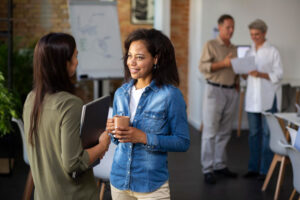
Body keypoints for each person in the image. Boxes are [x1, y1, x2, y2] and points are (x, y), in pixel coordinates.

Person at [23, 32, 111, 199]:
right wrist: (103, 144)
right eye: (75, 56)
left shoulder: (31, 99)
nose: (77, 62)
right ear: (62, 63)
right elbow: (73, 163)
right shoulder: (69, 104)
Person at [105, 28, 190, 200]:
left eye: (140, 57)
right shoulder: (121, 93)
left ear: (156, 59)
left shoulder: (170, 95)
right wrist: (113, 131)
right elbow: (117, 141)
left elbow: (182, 142)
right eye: (129, 56)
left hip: (151, 186)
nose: (131, 62)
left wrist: (143, 137)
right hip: (119, 182)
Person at [199, 14, 239, 184]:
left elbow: (235, 69)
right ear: (220, 27)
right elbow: (203, 67)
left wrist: (237, 81)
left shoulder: (235, 48)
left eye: (232, 27)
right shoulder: (211, 45)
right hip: (215, 91)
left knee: (224, 131)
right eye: (228, 27)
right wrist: (224, 63)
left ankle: (219, 165)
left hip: (231, 92)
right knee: (210, 132)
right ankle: (207, 169)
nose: (231, 30)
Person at [243, 19, 283, 180]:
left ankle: (265, 170)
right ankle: (253, 167)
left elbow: (278, 74)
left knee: (267, 134)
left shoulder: (273, 51)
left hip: (268, 98)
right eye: (252, 34)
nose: (254, 37)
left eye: (257, 34)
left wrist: (261, 74)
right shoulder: (249, 51)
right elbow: (246, 73)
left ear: (264, 33)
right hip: (252, 98)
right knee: (253, 134)